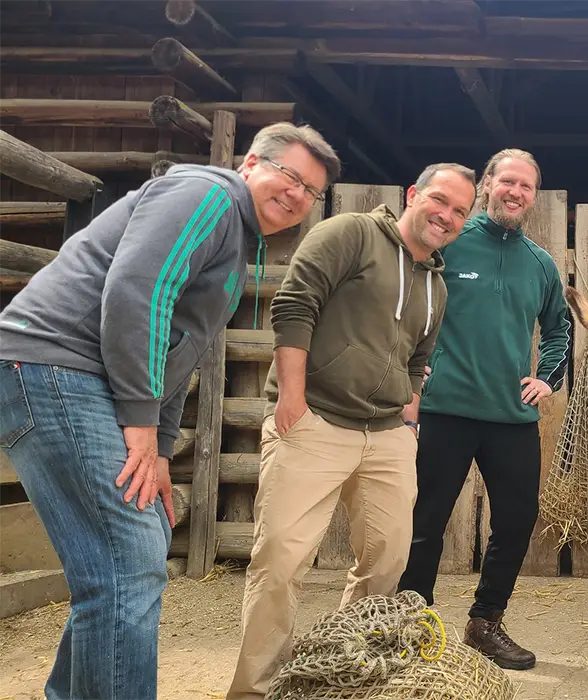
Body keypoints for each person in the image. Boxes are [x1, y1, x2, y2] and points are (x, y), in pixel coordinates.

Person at [0, 122, 340, 700]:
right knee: (126, 563)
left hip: (76, 378)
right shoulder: (207, 194)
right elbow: (139, 292)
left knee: (136, 547)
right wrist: (138, 423)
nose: (298, 196)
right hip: (56, 365)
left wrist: (156, 444)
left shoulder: (235, 233)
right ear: (251, 162)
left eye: (311, 192)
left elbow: (179, 351)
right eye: (290, 176)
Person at [225, 161, 478, 700]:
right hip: (315, 418)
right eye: (440, 200)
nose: (447, 216)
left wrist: (409, 414)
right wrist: (292, 399)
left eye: (460, 211)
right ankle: (256, 689)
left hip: (387, 433)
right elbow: (295, 306)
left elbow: (420, 357)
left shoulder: (437, 281)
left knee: (387, 560)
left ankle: (338, 673)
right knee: (281, 562)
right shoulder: (351, 232)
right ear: (414, 194)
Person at [397, 148, 572, 670]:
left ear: (533, 198)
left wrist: (547, 378)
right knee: (425, 520)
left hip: (511, 418)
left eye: (527, 187)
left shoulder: (541, 264)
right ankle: (413, 624)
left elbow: (559, 328)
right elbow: (407, 304)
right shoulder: (449, 246)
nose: (516, 193)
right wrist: (412, 366)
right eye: (508, 182)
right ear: (489, 185)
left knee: (517, 521)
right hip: (445, 410)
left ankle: (485, 622)